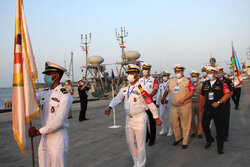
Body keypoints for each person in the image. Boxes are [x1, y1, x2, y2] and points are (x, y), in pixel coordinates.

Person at [105, 64, 162, 167]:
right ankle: (136, 161)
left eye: (132, 73)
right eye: (129, 73)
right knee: (130, 143)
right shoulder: (125, 88)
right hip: (129, 119)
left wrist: (156, 117)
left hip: (140, 118)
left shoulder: (142, 88)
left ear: (137, 75)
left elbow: (149, 102)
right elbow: (117, 98)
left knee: (140, 145)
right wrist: (110, 107)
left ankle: (141, 164)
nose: (130, 75)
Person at [28, 61, 73, 167]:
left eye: (48, 74)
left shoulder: (64, 95)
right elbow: (30, 100)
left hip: (57, 139)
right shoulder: (44, 93)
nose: (46, 77)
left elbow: (59, 121)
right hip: (44, 138)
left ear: (56, 75)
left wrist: (38, 132)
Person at [161, 64, 195, 149]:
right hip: (173, 106)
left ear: (182, 71)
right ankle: (178, 137)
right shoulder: (171, 80)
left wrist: (184, 99)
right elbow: (167, 90)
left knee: (185, 124)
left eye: (179, 71)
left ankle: (185, 141)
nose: (177, 73)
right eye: (175, 71)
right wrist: (163, 98)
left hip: (184, 105)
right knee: (173, 123)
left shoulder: (187, 81)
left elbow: (192, 92)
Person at [199, 66, 231, 154]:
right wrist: (200, 106)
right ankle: (209, 139)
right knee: (204, 124)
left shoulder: (221, 83)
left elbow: (227, 94)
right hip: (208, 108)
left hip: (218, 108)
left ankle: (220, 147)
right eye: (208, 73)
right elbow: (202, 95)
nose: (209, 74)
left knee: (219, 128)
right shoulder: (205, 84)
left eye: (211, 73)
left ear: (215, 74)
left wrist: (219, 102)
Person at [138, 63, 159, 146]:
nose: (145, 71)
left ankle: (152, 139)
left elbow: (155, 89)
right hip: (142, 103)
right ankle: (147, 136)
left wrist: (149, 97)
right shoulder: (140, 80)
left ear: (149, 70)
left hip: (150, 102)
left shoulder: (154, 80)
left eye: (146, 69)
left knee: (152, 121)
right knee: (143, 121)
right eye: (143, 69)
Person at [216, 67, 234, 141]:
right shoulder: (215, 81)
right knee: (218, 120)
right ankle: (219, 134)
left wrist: (224, 99)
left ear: (222, 72)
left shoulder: (228, 81)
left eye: (220, 72)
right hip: (217, 104)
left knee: (225, 120)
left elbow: (231, 92)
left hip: (225, 104)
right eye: (217, 73)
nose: (219, 74)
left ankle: (225, 136)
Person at [156, 70, 173, 136]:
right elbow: (158, 94)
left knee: (170, 117)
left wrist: (168, 100)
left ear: (168, 76)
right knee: (162, 116)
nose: (164, 77)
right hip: (162, 103)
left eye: (166, 76)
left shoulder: (171, 84)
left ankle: (170, 130)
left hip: (169, 102)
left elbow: (173, 94)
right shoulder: (161, 85)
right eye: (163, 76)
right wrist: (157, 103)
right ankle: (164, 129)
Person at [190, 71, 203, 138]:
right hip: (191, 103)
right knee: (191, 118)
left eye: (195, 76)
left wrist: (202, 104)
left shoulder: (201, 85)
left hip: (199, 103)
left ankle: (199, 132)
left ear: (198, 77)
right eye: (192, 77)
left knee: (200, 118)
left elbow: (204, 95)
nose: (194, 78)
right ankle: (194, 130)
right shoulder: (190, 84)